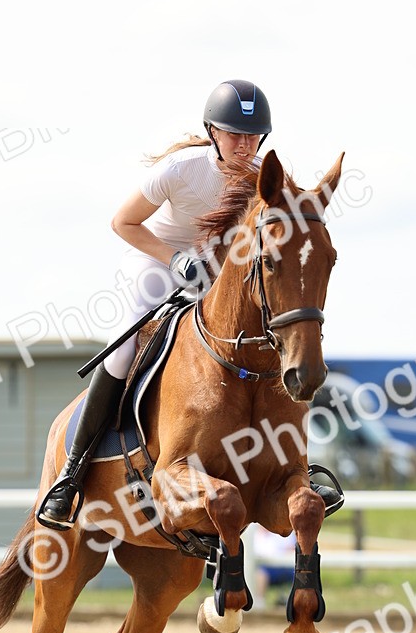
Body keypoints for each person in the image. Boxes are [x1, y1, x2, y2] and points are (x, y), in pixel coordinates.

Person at [36, 79, 272, 531]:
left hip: (216, 274)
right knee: (124, 350)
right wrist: (175, 259)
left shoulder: (265, 177)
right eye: (234, 134)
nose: (244, 145)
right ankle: (71, 474)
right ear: (213, 132)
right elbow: (123, 222)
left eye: (253, 136)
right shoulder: (181, 169)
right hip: (155, 259)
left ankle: (287, 466)